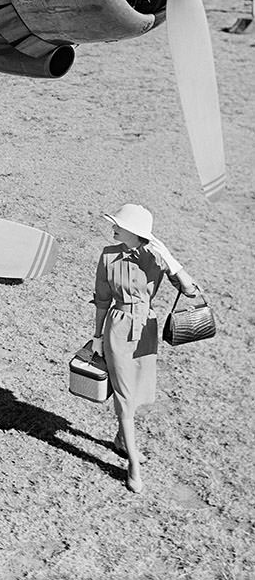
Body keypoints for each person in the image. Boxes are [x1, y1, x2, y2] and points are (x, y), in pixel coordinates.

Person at [91, 203, 198, 494]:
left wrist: (170, 259)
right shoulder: (107, 255)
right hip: (118, 327)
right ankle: (133, 465)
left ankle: (120, 439)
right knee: (125, 395)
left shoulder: (155, 257)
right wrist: (97, 337)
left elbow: (190, 290)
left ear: (134, 232)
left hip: (146, 330)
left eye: (119, 224)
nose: (113, 227)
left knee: (137, 392)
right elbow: (102, 300)